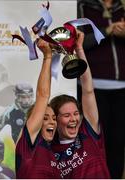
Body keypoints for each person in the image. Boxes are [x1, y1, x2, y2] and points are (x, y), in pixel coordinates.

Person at [49, 30, 110, 179]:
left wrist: (79, 49)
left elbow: (88, 90)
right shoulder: (49, 151)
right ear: (55, 119)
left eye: (76, 113)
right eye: (66, 115)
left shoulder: (87, 134)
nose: (73, 119)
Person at [77, 0, 125, 178]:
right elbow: (78, 43)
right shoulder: (82, 6)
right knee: (94, 141)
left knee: (119, 141)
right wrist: (107, 31)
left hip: (122, 87)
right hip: (93, 85)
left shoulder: (121, 7)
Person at [15, 38, 61, 179]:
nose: (52, 122)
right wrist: (47, 57)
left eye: (54, 118)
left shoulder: (53, 153)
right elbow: (42, 96)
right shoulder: (29, 144)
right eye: (45, 118)